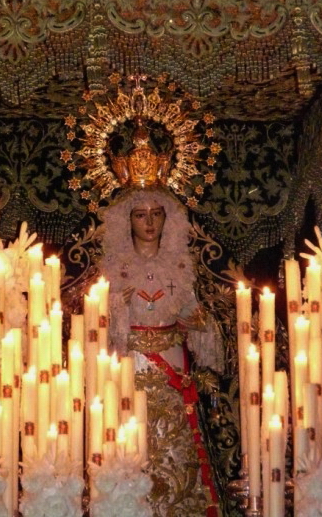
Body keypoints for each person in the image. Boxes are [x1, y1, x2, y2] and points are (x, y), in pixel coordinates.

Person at [100, 186, 224, 517]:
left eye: (156, 214)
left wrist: (199, 322)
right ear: (127, 220)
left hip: (171, 359)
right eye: (141, 215)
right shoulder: (114, 266)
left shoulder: (179, 265)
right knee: (133, 432)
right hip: (132, 361)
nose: (149, 223)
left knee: (174, 437)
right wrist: (115, 306)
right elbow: (97, 322)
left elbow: (193, 315)